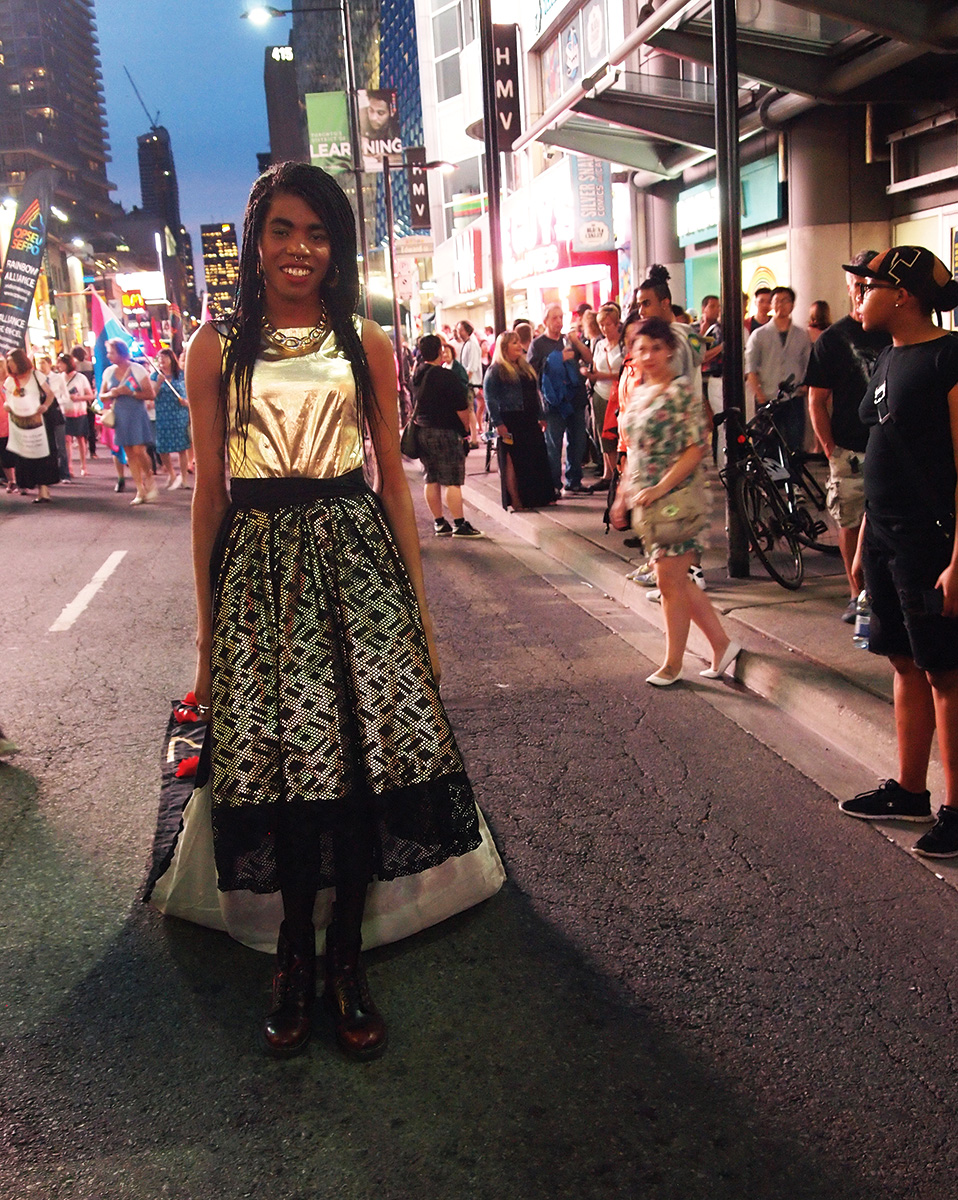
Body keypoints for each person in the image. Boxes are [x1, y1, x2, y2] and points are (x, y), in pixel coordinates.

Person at [174, 162, 489, 1059]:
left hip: (359, 568)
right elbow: (208, 495)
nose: (299, 249)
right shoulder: (214, 348)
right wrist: (207, 638)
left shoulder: (367, 340)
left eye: (317, 232)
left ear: (336, 245)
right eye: (282, 230)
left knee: (358, 773)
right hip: (261, 578)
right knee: (286, 780)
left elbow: (393, 481)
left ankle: (345, 957)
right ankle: (292, 961)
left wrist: (421, 615)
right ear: (255, 239)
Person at [837, 247, 958, 859]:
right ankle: (911, 790)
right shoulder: (887, 356)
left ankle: (957, 810)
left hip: (930, 544)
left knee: (947, 673)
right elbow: (883, 449)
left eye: (869, 286)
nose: (858, 295)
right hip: (884, 539)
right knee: (903, 661)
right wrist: (861, 540)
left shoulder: (949, 358)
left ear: (903, 293)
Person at [611, 317, 738, 685]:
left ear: (670, 350)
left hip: (679, 500)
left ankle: (673, 663)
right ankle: (721, 644)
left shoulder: (682, 391)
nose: (648, 355)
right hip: (649, 502)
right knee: (678, 582)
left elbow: (695, 449)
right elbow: (633, 451)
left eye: (655, 348)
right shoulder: (638, 393)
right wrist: (623, 496)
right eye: (640, 348)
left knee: (669, 582)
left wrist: (659, 488)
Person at [805, 251, 891, 621]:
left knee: (888, 521)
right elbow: (817, 400)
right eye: (856, 285)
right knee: (851, 521)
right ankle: (857, 593)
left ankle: (884, 589)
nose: (861, 293)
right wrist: (830, 448)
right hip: (850, 449)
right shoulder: (833, 339)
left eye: (868, 285)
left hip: (892, 448)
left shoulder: (894, 328)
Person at [413, 334, 483, 537]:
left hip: (423, 432)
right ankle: (459, 524)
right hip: (445, 432)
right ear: (439, 351)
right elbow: (461, 407)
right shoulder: (445, 376)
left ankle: (439, 522)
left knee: (431, 477)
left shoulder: (417, 374)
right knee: (452, 480)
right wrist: (466, 431)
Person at [483, 330, 556, 511]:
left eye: (518, 342)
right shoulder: (496, 370)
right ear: (504, 347)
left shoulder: (525, 367)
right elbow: (490, 398)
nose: (519, 346)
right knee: (513, 461)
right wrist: (498, 422)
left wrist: (541, 414)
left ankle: (539, 496)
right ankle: (516, 499)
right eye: (514, 343)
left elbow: (535, 393)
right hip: (510, 419)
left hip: (529, 417)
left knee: (535, 458)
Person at [528, 303, 593, 495]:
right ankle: (554, 483)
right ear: (546, 321)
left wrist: (577, 342)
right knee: (554, 444)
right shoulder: (538, 344)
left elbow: (590, 359)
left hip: (576, 399)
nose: (558, 321)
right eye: (554, 318)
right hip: (554, 402)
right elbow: (533, 372)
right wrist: (557, 359)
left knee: (578, 441)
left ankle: (574, 480)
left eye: (560, 317)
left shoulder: (569, 340)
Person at [745, 285, 811, 452]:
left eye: (785, 301)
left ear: (793, 305)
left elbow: (808, 364)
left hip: (793, 399)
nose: (781, 305)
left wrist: (805, 386)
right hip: (767, 398)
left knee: (794, 446)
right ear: (771, 305)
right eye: (777, 301)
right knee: (766, 448)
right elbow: (750, 368)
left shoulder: (801, 335)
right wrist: (759, 396)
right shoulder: (759, 335)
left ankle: (793, 478)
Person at [99, 339, 157, 505]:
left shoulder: (137, 369)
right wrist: (112, 393)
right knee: (129, 452)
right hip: (120, 415)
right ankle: (140, 489)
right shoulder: (108, 372)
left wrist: (130, 393)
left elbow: (150, 394)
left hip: (137, 413)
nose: (108, 355)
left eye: (111, 352)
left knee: (139, 450)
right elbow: (101, 395)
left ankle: (149, 476)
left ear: (121, 353)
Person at [4, 349, 59, 502]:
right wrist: (7, 406)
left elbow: (50, 393)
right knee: (27, 455)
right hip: (20, 424)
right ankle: (36, 487)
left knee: (42, 453)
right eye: (8, 362)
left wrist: (45, 406)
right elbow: (8, 399)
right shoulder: (10, 381)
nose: (10, 365)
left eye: (12, 362)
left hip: (38, 422)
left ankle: (44, 489)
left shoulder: (36, 375)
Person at [584, 303, 623, 491]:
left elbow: (625, 371)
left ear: (616, 324)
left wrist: (602, 376)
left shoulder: (623, 345)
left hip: (618, 393)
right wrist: (590, 374)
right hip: (600, 392)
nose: (605, 329)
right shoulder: (599, 344)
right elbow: (595, 366)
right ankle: (609, 473)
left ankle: (619, 472)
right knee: (603, 433)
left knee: (619, 434)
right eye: (602, 325)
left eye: (608, 324)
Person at [150, 347, 191, 490]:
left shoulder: (181, 375)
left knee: (182, 448)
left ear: (171, 359)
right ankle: (171, 473)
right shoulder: (155, 376)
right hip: (162, 415)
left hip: (179, 414)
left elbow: (189, 392)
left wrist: (187, 402)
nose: (161, 361)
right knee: (162, 448)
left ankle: (184, 477)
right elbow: (152, 395)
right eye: (159, 359)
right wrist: (159, 383)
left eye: (164, 358)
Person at [56, 352, 93, 478]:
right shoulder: (59, 378)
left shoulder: (80, 378)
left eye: (61, 363)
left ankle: (84, 466)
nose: (59, 365)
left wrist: (78, 398)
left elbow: (90, 395)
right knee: (66, 440)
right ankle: (69, 466)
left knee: (81, 439)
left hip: (79, 411)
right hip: (64, 411)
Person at [38, 354, 70, 482]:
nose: (41, 366)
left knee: (60, 445)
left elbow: (66, 396)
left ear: (49, 364)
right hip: (44, 414)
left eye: (43, 363)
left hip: (57, 412)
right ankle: (52, 473)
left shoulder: (57, 378)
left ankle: (65, 474)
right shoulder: (38, 379)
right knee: (48, 445)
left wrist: (57, 402)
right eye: (39, 364)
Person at [455, 320, 483, 446]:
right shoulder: (468, 343)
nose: (459, 332)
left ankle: (474, 438)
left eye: (460, 330)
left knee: (471, 409)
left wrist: (464, 381)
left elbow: (471, 367)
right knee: (472, 409)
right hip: (470, 382)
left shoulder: (472, 344)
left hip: (471, 382)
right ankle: (473, 436)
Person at [71, 345, 97, 458]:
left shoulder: (73, 367)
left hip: (76, 398)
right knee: (91, 424)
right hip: (89, 396)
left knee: (80, 423)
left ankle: (83, 446)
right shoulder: (91, 366)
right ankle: (93, 451)